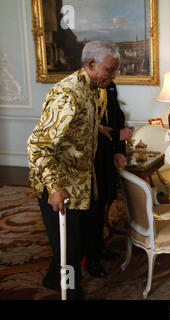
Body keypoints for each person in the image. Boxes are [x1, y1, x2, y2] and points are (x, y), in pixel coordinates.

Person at [27, 40, 120, 300]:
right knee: (69, 250)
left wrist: (98, 129)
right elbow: (38, 147)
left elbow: (74, 125)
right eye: (110, 70)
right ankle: (72, 291)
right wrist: (54, 188)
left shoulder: (90, 87)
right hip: (57, 185)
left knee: (73, 242)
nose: (113, 76)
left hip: (79, 182)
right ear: (91, 65)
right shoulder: (67, 94)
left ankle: (51, 279)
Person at [86, 81, 133, 277]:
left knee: (104, 199)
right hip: (89, 159)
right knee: (91, 209)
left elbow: (116, 117)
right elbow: (86, 126)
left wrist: (119, 151)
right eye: (109, 69)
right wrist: (116, 134)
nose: (112, 74)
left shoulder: (109, 85)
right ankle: (90, 259)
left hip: (106, 156)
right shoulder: (81, 88)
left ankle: (99, 249)